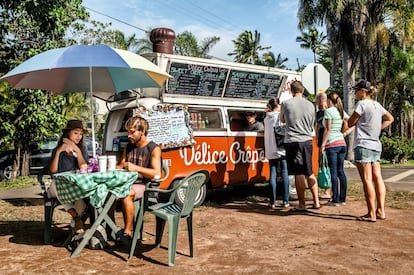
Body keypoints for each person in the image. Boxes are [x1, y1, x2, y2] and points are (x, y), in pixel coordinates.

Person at [348, 79, 394, 222]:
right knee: (377, 178)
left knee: (367, 180)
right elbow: (390, 118)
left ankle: (371, 213)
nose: (355, 93)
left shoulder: (361, 104)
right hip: (375, 144)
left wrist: (347, 121)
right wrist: (378, 127)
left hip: (363, 144)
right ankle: (380, 211)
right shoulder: (377, 105)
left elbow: (351, 122)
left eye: (356, 90)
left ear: (363, 91)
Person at [115, 116, 162, 245]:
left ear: (142, 131)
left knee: (127, 193)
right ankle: (110, 228)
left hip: (145, 185)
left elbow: (156, 173)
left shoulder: (153, 148)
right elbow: (121, 165)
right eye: (128, 132)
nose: (129, 135)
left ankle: (128, 232)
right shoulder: (129, 147)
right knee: (106, 192)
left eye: (132, 132)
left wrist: (136, 168)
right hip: (128, 183)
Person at [280, 80, 320, 211]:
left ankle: (302, 204)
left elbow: (282, 120)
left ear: (291, 91)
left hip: (293, 140)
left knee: (299, 173)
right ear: (302, 90)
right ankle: (316, 201)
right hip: (307, 140)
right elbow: (313, 123)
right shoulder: (310, 105)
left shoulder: (286, 104)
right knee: (310, 171)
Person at [48, 119, 90, 234]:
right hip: (56, 186)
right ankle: (76, 218)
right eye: (76, 133)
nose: (79, 136)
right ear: (68, 133)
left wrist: (77, 150)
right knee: (58, 185)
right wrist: (58, 153)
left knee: (82, 198)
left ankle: (74, 226)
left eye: (81, 134)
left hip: (72, 185)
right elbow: (52, 171)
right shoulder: (58, 150)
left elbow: (84, 166)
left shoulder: (81, 149)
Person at [320, 92, 349, 206]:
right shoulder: (340, 111)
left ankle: (335, 199)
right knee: (341, 171)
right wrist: (343, 132)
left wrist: (323, 144)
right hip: (342, 143)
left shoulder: (328, 111)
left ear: (329, 100)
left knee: (333, 171)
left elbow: (328, 129)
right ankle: (343, 198)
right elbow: (348, 121)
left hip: (332, 144)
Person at [264, 98, 290, 209]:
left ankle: (272, 201)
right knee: (285, 173)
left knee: (272, 174)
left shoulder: (266, 119)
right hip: (281, 148)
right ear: (278, 105)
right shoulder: (280, 117)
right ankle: (285, 201)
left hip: (270, 149)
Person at [315, 91, 331, 200]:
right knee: (322, 164)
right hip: (320, 142)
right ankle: (325, 186)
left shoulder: (329, 112)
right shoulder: (318, 113)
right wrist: (316, 138)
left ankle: (328, 190)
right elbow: (317, 126)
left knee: (327, 165)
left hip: (328, 142)